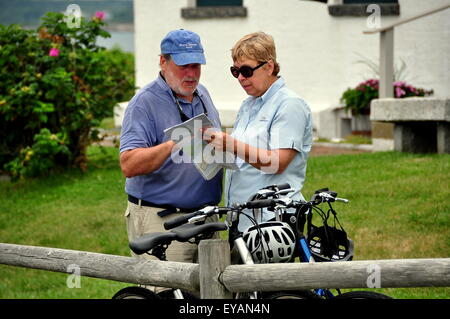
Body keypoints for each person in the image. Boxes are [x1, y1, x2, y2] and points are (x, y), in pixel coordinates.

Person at [119, 29, 223, 281]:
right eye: (183, 65)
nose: (191, 73)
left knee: (212, 292)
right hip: (164, 220)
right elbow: (129, 164)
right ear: (163, 62)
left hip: (206, 216)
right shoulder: (143, 103)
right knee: (168, 293)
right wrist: (174, 143)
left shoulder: (202, 93)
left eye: (196, 65)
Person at [202, 31, 313, 232]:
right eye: (235, 72)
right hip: (243, 220)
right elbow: (245, 158)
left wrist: (230, 144)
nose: (241, 78)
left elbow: (277, 163)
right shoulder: (248, 105)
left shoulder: (290, 104)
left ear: (269, 66)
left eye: (246, 70)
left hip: (272, 222)